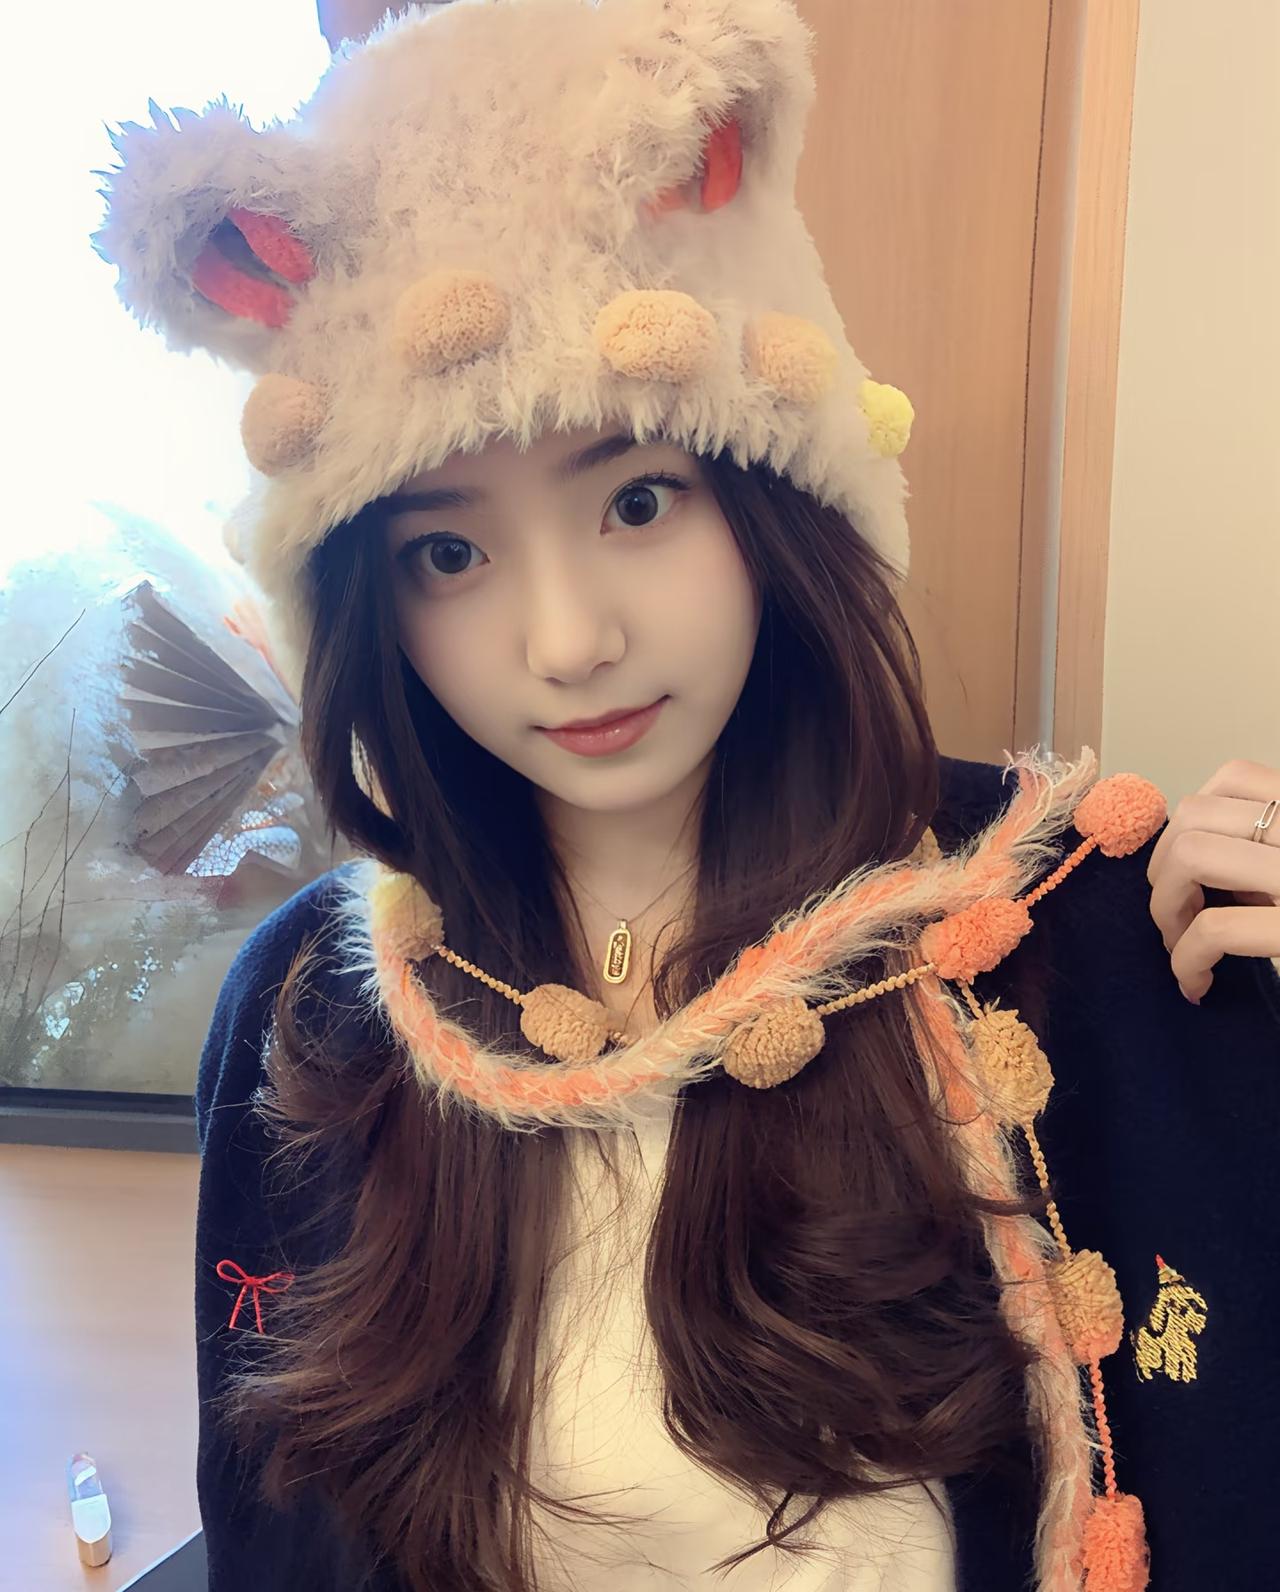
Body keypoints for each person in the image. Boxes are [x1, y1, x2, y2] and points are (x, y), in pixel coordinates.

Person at [93, 3, 1280, 1589]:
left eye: (638, 499)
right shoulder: (316, 1011)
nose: (567, 640)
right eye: (448, 550)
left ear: (771, 494)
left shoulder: (1067, 924)